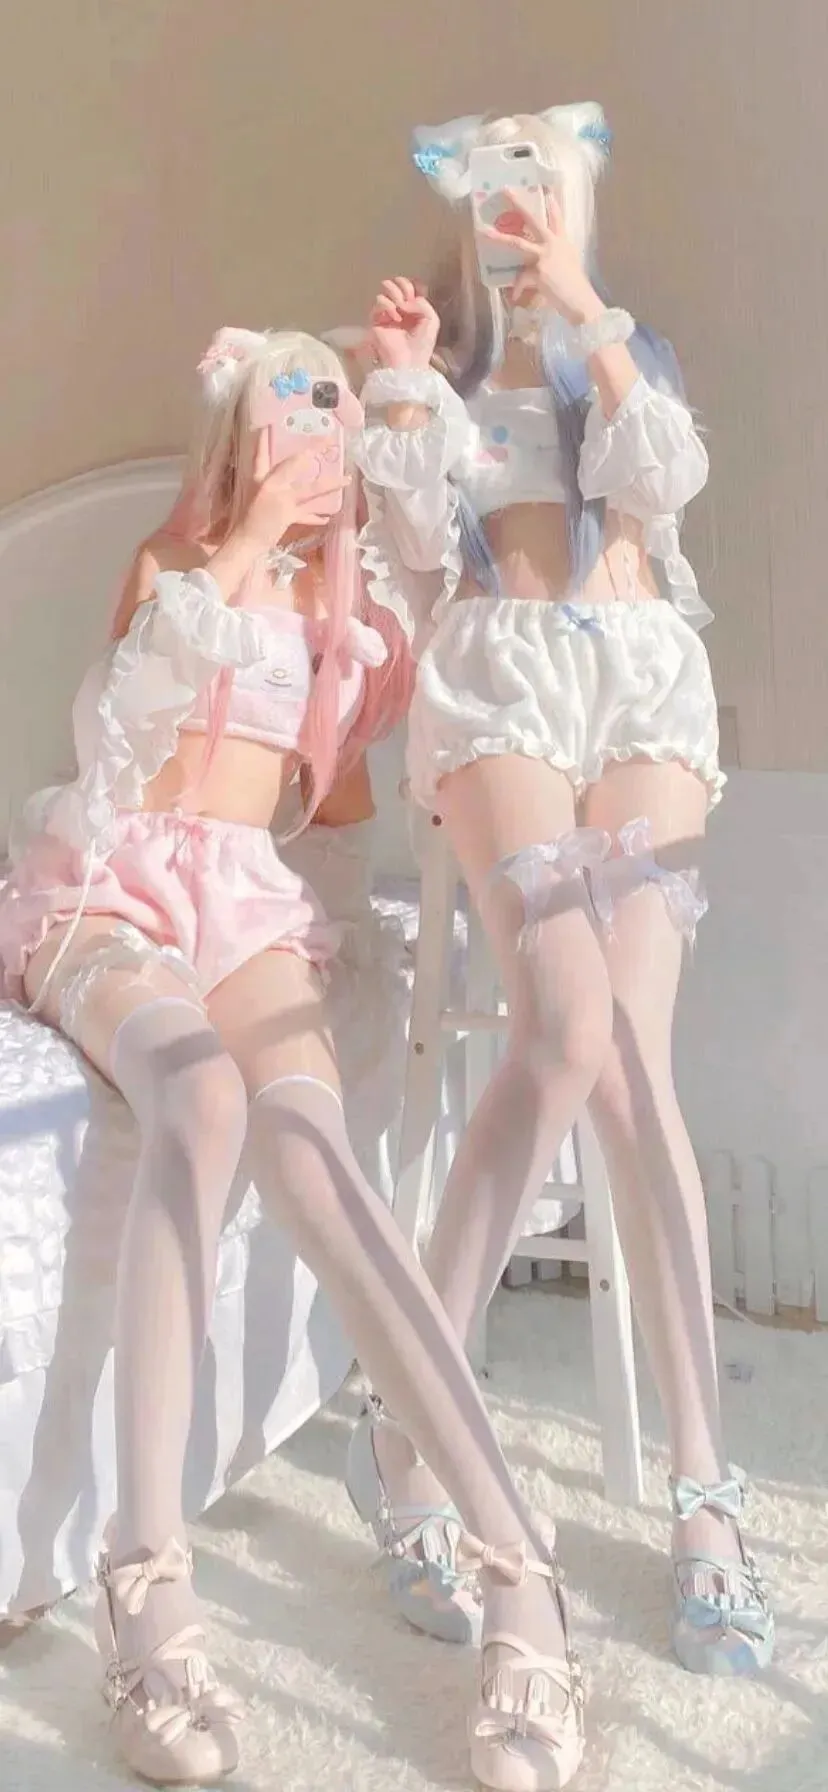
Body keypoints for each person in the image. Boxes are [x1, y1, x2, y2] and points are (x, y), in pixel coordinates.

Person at [0, 328, 587, 1792]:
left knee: (318, 1161)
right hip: (107, 890)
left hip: (247, 905)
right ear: (237, 435)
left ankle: (523, 1571)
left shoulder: (345, 628)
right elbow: (122, 742)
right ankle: (146, 1575)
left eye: (331, 412)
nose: (315, 433)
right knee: (198, 1097)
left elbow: (340, 806)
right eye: (292, 406)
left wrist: (402, 408)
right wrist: (252, 534)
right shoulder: (170, 567)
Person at [349, 103, 774, 1685]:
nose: (517, 210)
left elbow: (664, 482)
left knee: (636, 1062)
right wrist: (403, 384)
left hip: (644, 680)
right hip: (503, 688)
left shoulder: (625, 349)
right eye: (498, 187)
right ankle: (408, 1427)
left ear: (577, 198)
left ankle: (706, 1490)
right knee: (564, 1030)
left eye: (543, 183)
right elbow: (411, 543)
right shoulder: (442, 373)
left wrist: (585, 308)